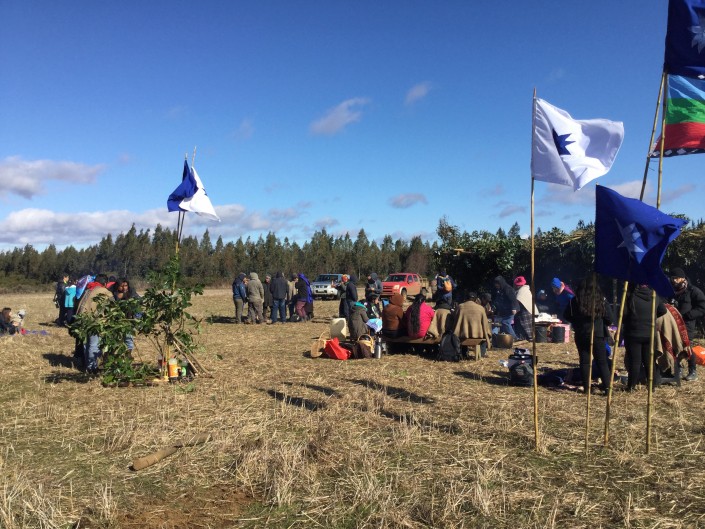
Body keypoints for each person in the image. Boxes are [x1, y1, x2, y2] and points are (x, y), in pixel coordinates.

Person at [563, 276, 614, 394]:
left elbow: (567, 315)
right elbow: (610, 319)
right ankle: (607, 389)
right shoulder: (601, 300)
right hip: (597, 334)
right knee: (602, 361)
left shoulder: (575, 301)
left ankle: (587, 388)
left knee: (585, 361)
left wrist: (577, 321)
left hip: (581, 334)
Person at [623, 284, 667, 390]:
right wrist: (652, 316)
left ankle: (631, 386)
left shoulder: (629, 296)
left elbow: (624, 314)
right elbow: (663, 310)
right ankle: (652, 385)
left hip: (633, 333)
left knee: (635, 361)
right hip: (649, 333)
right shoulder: (654, 295)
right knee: (649, 361)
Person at [670, 267, 705, 381]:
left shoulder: (693, 291)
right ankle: (678, 369)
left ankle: (692, 371)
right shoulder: (671, 291)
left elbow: (702, 307)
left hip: (687, 324)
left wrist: (689, 315)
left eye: (676, 278)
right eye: (672, 278)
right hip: (673, 323)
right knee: (675, 346)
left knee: (687, 347)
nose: (674, 281)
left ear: (682, 278)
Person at [75, 274, 112, 373]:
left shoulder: (88, 289)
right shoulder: (104, 291)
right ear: (105, 283)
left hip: (83, 320)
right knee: (94, 344)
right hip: (95, 321)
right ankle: (92, 368)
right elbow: (112, 305)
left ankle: (88, 365)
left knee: (87, 344)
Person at [513, 276, 537, 341]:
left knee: (526, 326)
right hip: (523, 311)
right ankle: (522, 337)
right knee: (521, 325)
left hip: (526, 311)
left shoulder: (523, 290)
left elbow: (518, 301)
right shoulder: (521, 290)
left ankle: (529, 337)